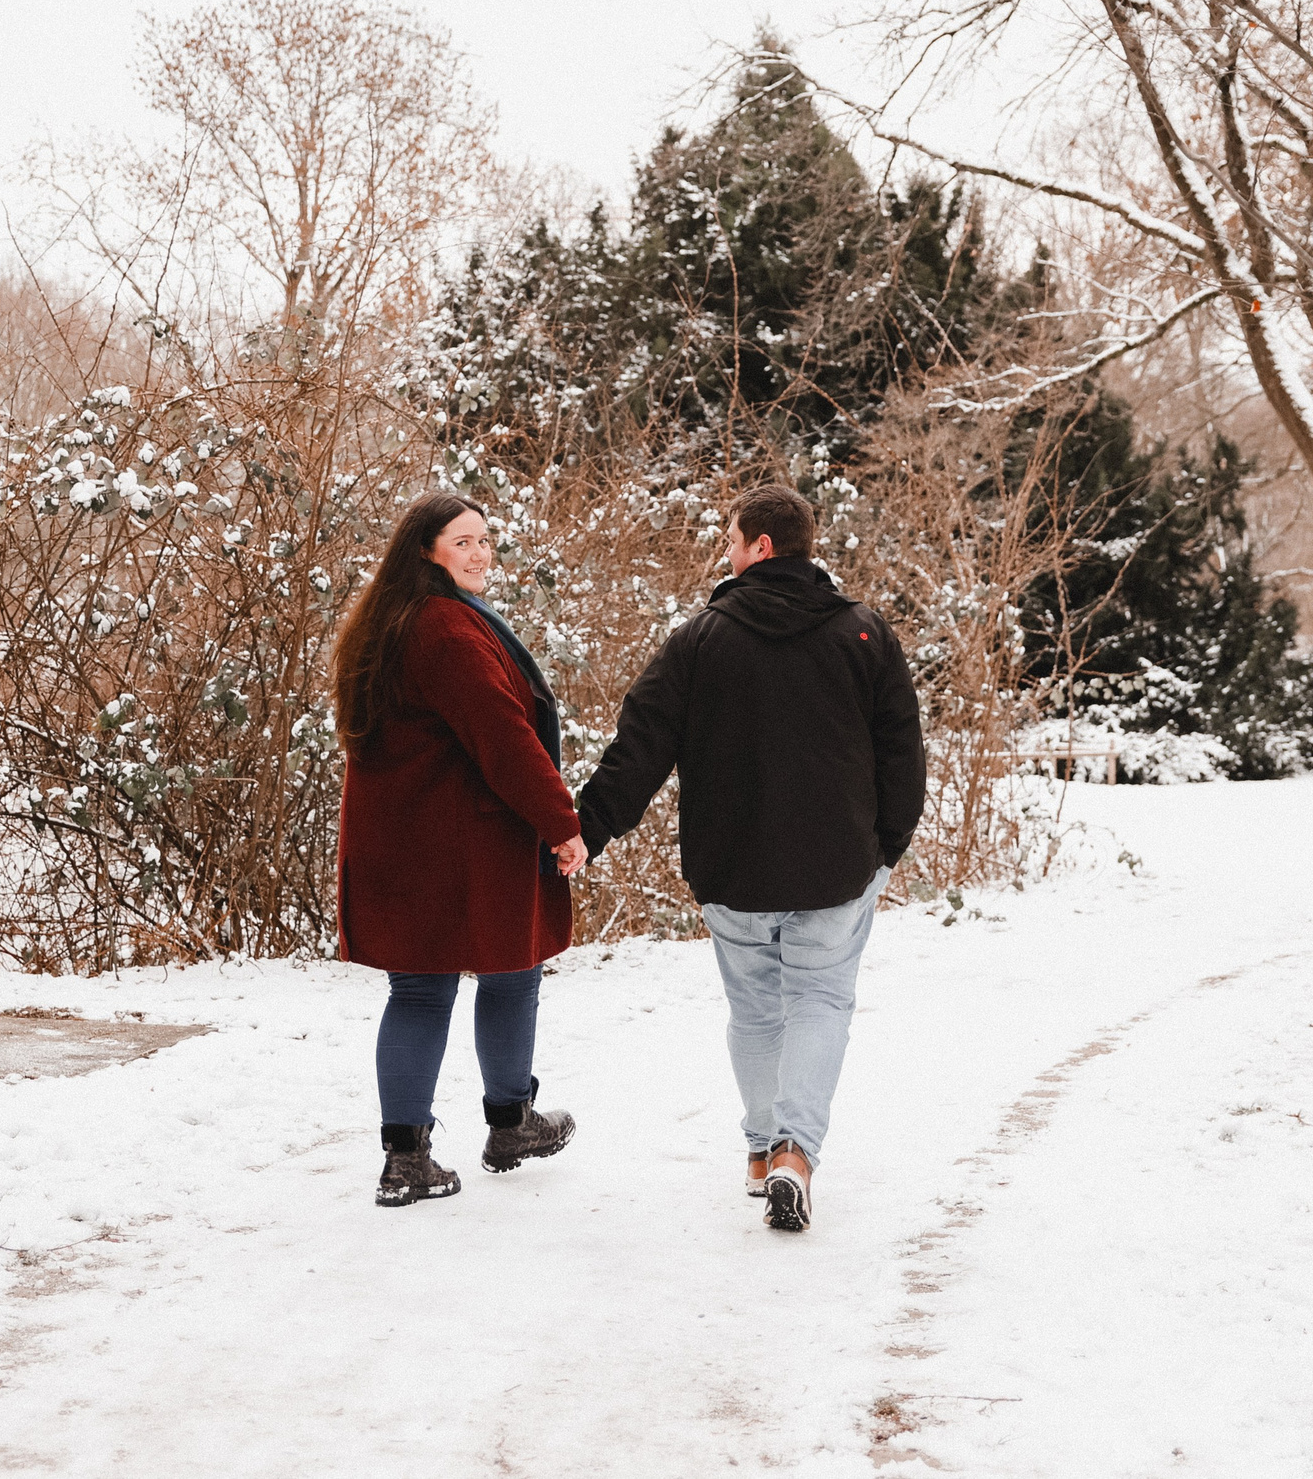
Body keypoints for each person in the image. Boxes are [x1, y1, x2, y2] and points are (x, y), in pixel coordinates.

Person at [575, 484, 923, 1233]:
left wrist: (585, 829)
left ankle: (764, 1151)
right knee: (821, 1000)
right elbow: (904, 757)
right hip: (836, 868)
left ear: (760, 545)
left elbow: (641, 747)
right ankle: (796, 1151)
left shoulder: (699, 639)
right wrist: (883, 850)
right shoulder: (865, 633)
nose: (726, 552)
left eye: (732, 539)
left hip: (731, 867)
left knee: (756, 1006)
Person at [333, 491, 588, 1208]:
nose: (480, 553)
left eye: (484, 539)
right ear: (426, 550)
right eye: (463, 541)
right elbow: (504, 738)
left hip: (413, 837)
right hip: (463, 840)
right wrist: (560, 820)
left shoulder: (393, 621)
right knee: (501, 970)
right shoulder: (445, 629)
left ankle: (435, 1146)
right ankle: (490, 1129)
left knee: (445, 982)